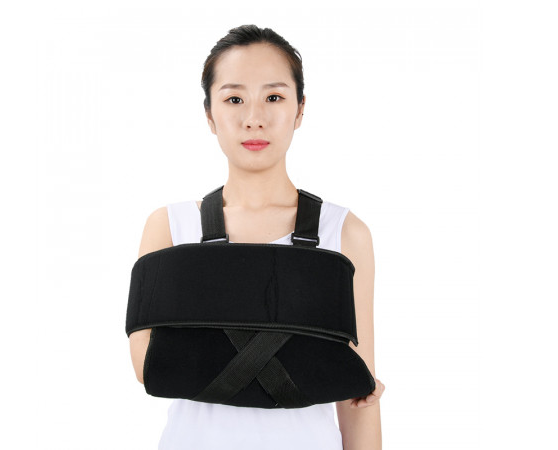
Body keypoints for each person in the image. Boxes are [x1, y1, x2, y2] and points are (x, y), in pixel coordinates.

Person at [128, 24, 385, 449]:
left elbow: (359, 394)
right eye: (234, 99)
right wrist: (308, 362)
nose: (254, 118)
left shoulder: (343, 233)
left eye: (274, 97)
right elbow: (151, 369)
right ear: (209, 114)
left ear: (300, 109)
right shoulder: (170, 227)